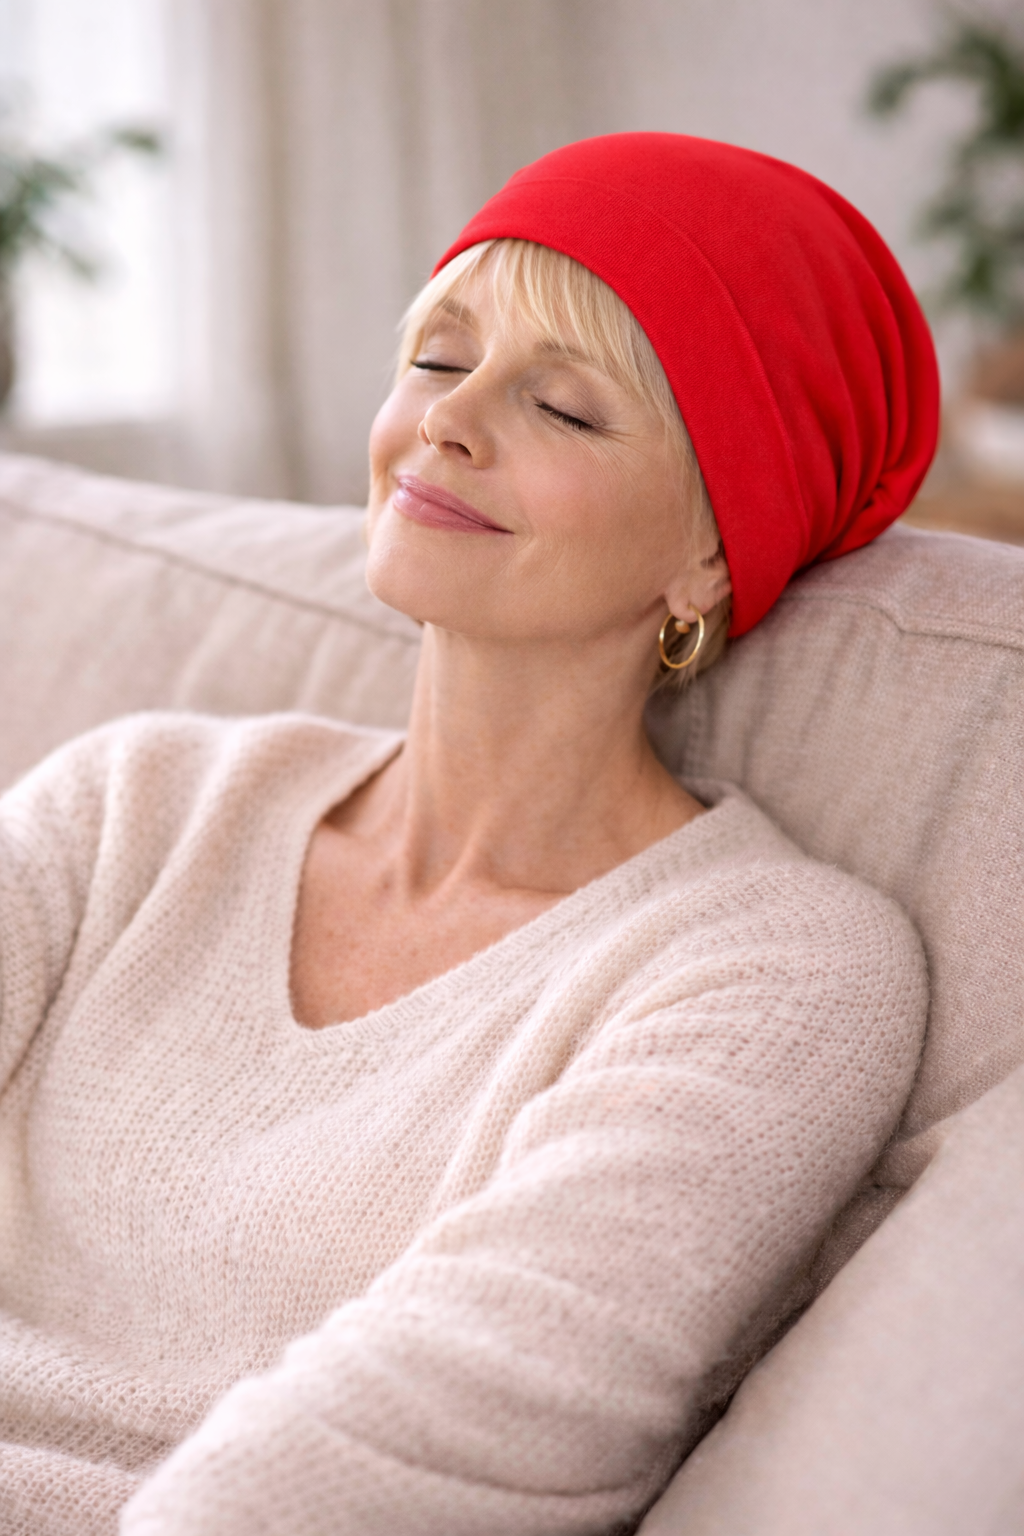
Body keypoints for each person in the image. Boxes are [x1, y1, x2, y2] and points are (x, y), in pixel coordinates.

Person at [0, 135, 937, 1536]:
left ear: (714, 554)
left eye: (564, 407)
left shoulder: (778, 974)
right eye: (438, 362)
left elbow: (403, 1457)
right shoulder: (133, 802)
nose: (446, 422)